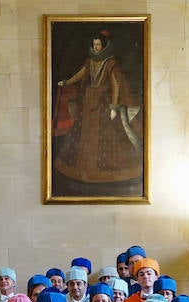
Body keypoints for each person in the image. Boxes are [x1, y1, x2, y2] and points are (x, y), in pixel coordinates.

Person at [52, 28, 142, 186]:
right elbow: (80, 75)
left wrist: (114, 107)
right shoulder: (90, 61)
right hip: (88, 106)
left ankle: (105, 174)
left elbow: (115, 86)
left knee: (109, 137)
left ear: (104, 45)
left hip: (104, 106)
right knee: (82, 137)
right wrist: (66, 82)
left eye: (99, 45)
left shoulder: (111, 64)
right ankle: (83, 169)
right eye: (94, 44)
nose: (96, 47)